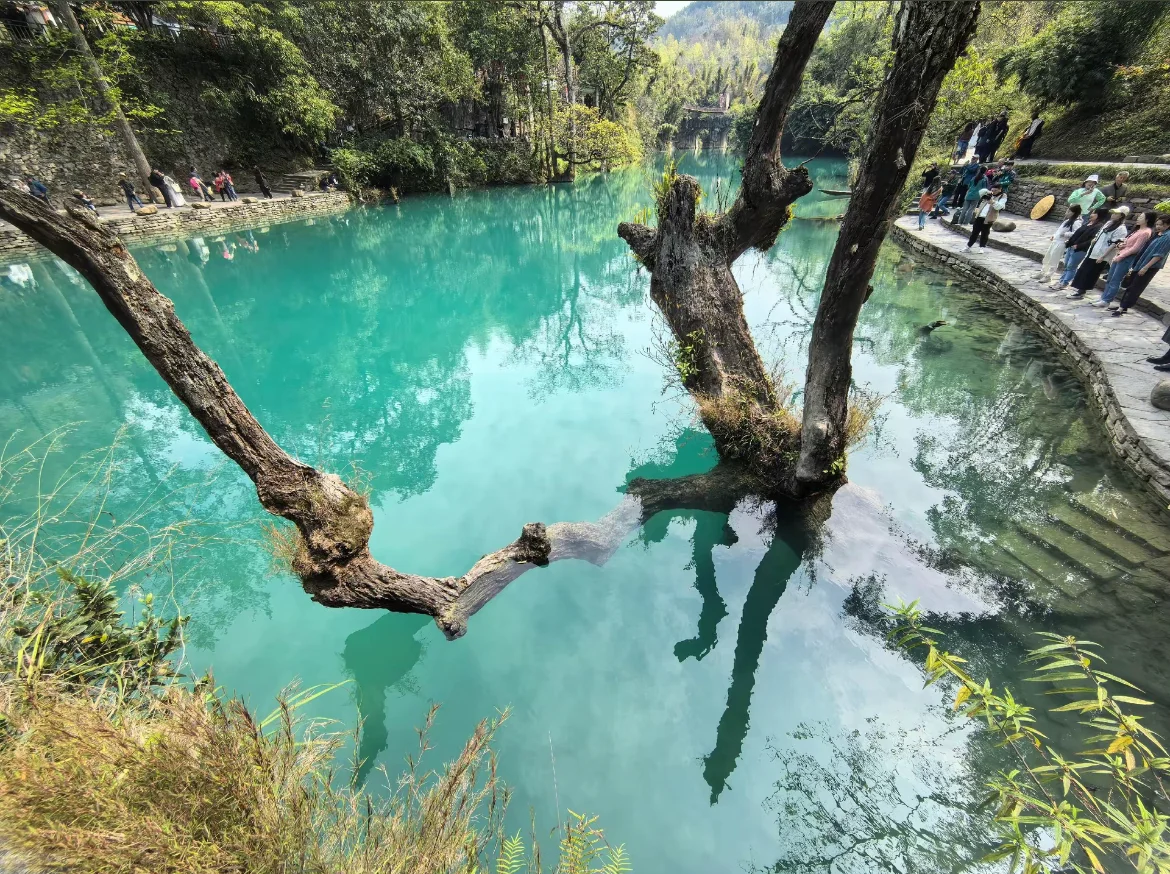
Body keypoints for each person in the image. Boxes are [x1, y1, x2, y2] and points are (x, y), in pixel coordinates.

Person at [1094, 210, 1155, 308]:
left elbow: (1135, 248)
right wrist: (1121, 245)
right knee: (1110, 278)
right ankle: (1103, 297)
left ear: (1147, 220)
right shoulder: (1137, 229)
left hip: (1126, 258)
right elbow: (1127, 242)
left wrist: (1121, 256)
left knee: (1115, 280)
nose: (1138, 218)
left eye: (1141, 217)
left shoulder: (1145, 232)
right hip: (1119, 255)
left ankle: (1107, 300)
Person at [1067, 205, 1129, 299]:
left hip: (1101, 254)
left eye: (1116, 213)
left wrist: (1103, 256)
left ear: (1121, 216)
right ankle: (1079, 289)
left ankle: (1081, 291)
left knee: (1090, 273)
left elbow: (1113, 244)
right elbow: (1099, 234)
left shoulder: (1121, 229)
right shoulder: (1109, 223)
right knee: (1083, 270)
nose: (1113, 215)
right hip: (1093, 250)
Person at [1116, 214, 1170, 321]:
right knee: (1131, 284)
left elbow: (1159, 255)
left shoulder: (1167, 237)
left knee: (1136, 286)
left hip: (1149, 266)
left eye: (1161, 225)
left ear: (1168, 225)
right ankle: (1123, 306)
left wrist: (1146, 267)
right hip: (1141, 262)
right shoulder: (1158, 234)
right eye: (1157, 224)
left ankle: (1122, 307)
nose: (1158, 226)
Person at [1053, 207, 1108, 289]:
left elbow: (1091, 240)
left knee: (1071, 266)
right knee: (1067, 265)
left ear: (1099, 215)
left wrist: (1079, 246)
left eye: (1094, 213)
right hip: (1072, 246)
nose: (1091, 214)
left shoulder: (1098, 226)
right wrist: (1070, 242)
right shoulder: (1088, 223)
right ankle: (1061, 280)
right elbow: (1077, 233)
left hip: (1080, 249)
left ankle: (1064, 283)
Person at [1038, 205, 1082, 282]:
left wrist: (1065, 234)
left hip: (1061, 243)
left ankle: (1048, 276)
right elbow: (1059, 231)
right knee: (1047, 257)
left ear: (1074, 213)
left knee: (1054, 260)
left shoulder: (1076, 222)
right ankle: (1042, 272)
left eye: (1069, 211)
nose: (1066, 213)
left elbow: (1076, 233)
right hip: (1055, 241)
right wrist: (1054, 236)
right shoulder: (1067, 221)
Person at [966, 186, 1006, 251]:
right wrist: (987, 191)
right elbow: (979, 193)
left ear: (1000, 190)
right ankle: (968, 246)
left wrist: (993, 202)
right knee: (974, 232)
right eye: (992, 190)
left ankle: (982, 247)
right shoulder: (988, 193)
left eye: (995, 190)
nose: (993, 192)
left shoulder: (1003, 196)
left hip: (989, 218)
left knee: (985, 233)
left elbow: (999, 207)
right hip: (980, 216)